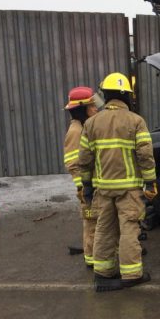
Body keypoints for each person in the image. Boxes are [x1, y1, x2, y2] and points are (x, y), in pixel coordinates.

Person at [78, 72, 157, 291]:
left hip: (103, 188)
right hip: (129, 188)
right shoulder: (136, 121)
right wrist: (150, 182)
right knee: (129, 229)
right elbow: (145, 156)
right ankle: (131, 274)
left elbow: (84, 159)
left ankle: (103, 273)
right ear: (126, 95)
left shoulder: (92, 123)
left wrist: (86, 185)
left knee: (104, 228)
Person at [62, 86, 100, 267]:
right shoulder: (76, 132)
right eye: (92, 106)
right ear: (82, 109)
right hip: (87, 188)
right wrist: (83, 187)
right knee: (92, 223)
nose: (96, 109)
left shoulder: (84, 127)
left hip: (92, 185)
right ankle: (91, 260)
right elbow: (72, 163)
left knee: (98, 221)